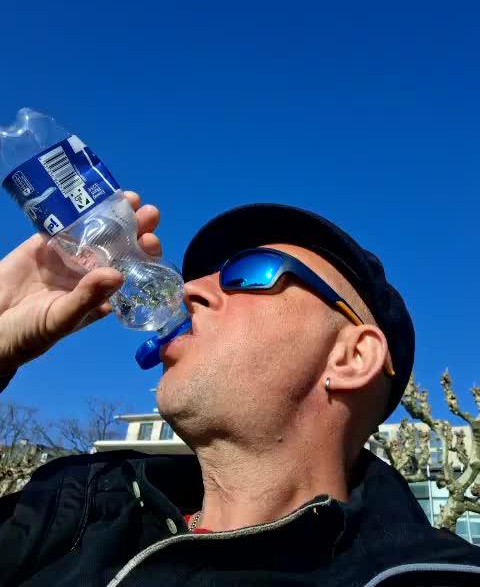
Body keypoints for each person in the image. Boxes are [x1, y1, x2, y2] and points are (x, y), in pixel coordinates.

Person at [0, 193, 479, 587]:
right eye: (200, 277)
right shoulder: (70, 506)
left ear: (352, 357)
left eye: (248, 272)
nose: (188, 291)